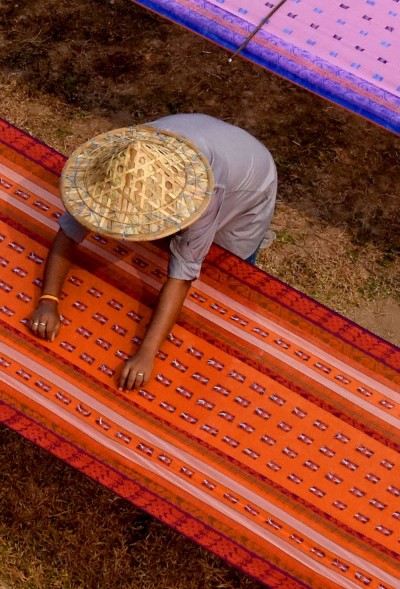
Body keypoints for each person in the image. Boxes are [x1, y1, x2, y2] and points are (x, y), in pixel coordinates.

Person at [27, 113, 276, 391]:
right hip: (209, 139)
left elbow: (181, 277)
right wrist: (48, 300)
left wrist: (146, 354)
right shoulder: (124, 161)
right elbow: (69, 231)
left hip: (250, 184)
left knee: (225, 275)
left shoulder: (205, 192)